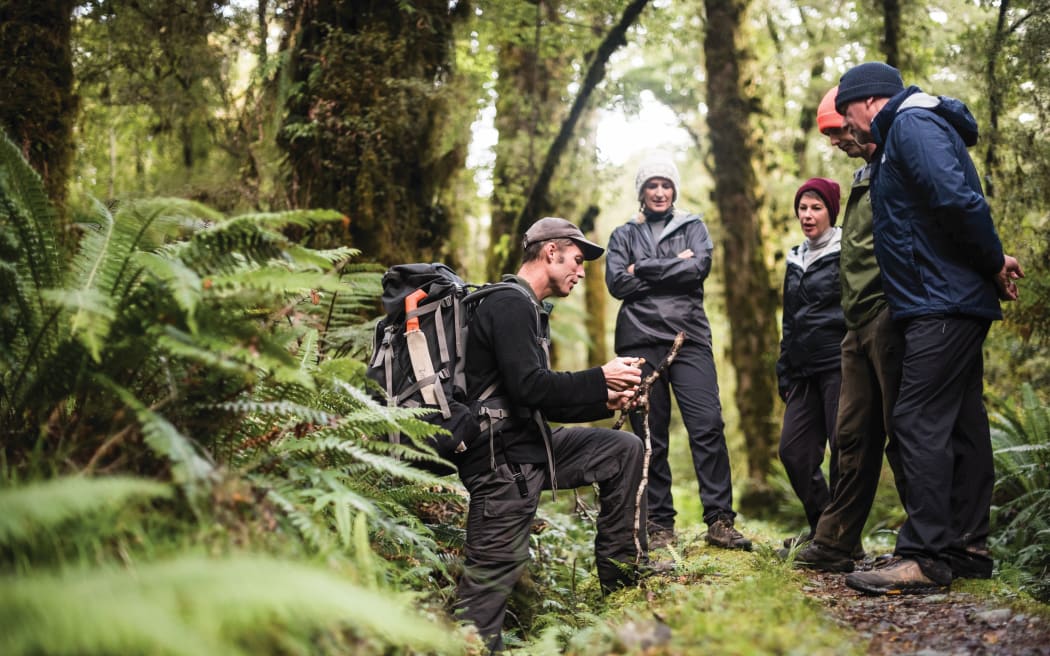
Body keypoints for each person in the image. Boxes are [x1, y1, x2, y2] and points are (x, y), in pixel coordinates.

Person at [832, 62, 1023, 595]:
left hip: (941, 302)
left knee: (916, 418)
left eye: (847, 111)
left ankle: (925, 554)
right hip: (945, 297)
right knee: (962, 421)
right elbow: (941, 211)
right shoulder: (907, 131)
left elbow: (957, 202)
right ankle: (968, 548)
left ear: (868, 101)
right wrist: (990, 261)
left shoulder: (912, 125)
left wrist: (988, 262)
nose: (847, 125)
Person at [453, 217, 652, 652]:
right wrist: (601, 377)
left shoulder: (528, 307)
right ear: (550, 253)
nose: (581, 272)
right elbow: (531, 386)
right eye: (577, 261)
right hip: (502, 464)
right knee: (485, 591)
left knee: (623, 450)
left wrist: (606, 400)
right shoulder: (509, 304)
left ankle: (623, 584)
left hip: (530, 446)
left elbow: (538, 396)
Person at [787, 85, 909, 572]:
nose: (838, 140)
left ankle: (925, 543)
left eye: (839, 129)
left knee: (891, 435)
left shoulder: (899, 162)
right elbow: (789, 318)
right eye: (803, 207)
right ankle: (833, 537)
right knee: (830, 445)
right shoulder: (864, 178)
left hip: (879, 325)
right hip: (833, 346)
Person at [605, 152, 751, 551]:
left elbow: (697, 270)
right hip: (637, 340)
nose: (659, 192)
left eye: (665, 185)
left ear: (674, 190)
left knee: (707, 425)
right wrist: (671, 266)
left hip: (689, 338)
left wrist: (644, 269)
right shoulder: (622, 235)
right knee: (651, 435)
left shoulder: (694, 227)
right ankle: (659, 525)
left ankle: (720, 520)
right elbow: (617, 283)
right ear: (642, 192)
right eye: (651, 185)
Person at [776, 177, 846, 544]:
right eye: (802, 207)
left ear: (831, 212)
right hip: (802, 371)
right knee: (793, 451)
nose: (807, 214)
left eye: (816, 207)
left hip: (839, 364)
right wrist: (784, 370)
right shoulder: (795, 257)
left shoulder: (846, 249)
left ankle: (841, 537)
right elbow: (790, 317)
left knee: (842, 451)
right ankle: (822, 525)